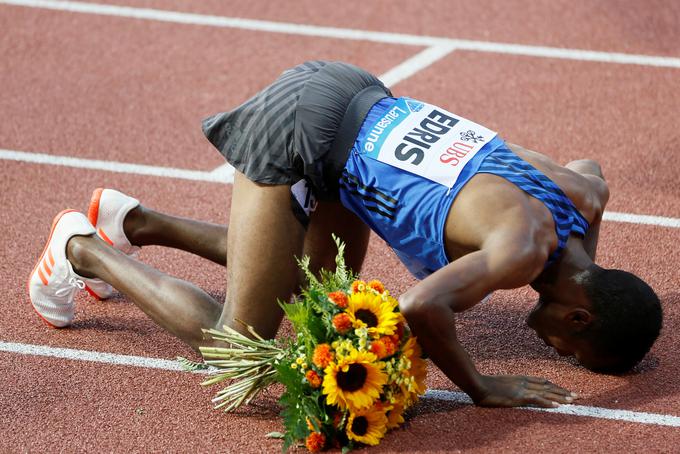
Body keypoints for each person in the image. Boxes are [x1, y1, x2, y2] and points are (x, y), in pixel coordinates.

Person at [28, 60, 662, 409]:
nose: (558, 354)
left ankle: (132, 221)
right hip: (302, 126)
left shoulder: (581, 202)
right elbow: (421, 306)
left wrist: (588, 269)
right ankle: (81, 249)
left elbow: (591, 172)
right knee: (237, 347)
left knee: (316, 286)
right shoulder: (520, 252)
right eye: (572, 349)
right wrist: (481, 387)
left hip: (355, 91)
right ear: (579, 318)